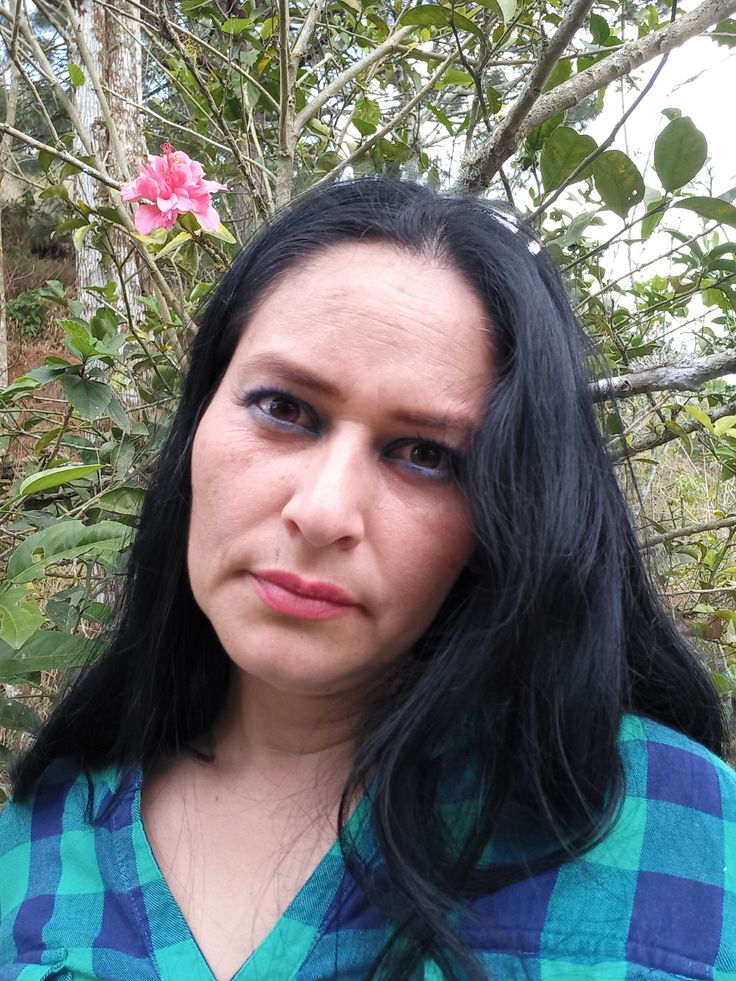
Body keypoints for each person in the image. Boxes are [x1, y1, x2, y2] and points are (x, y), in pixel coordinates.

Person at [1, 177, 734, 981]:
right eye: (283, 408)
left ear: (504, 511)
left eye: (425, 454)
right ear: (198, 419)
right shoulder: (37, 840)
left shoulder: (674, 829)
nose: (323, 512)